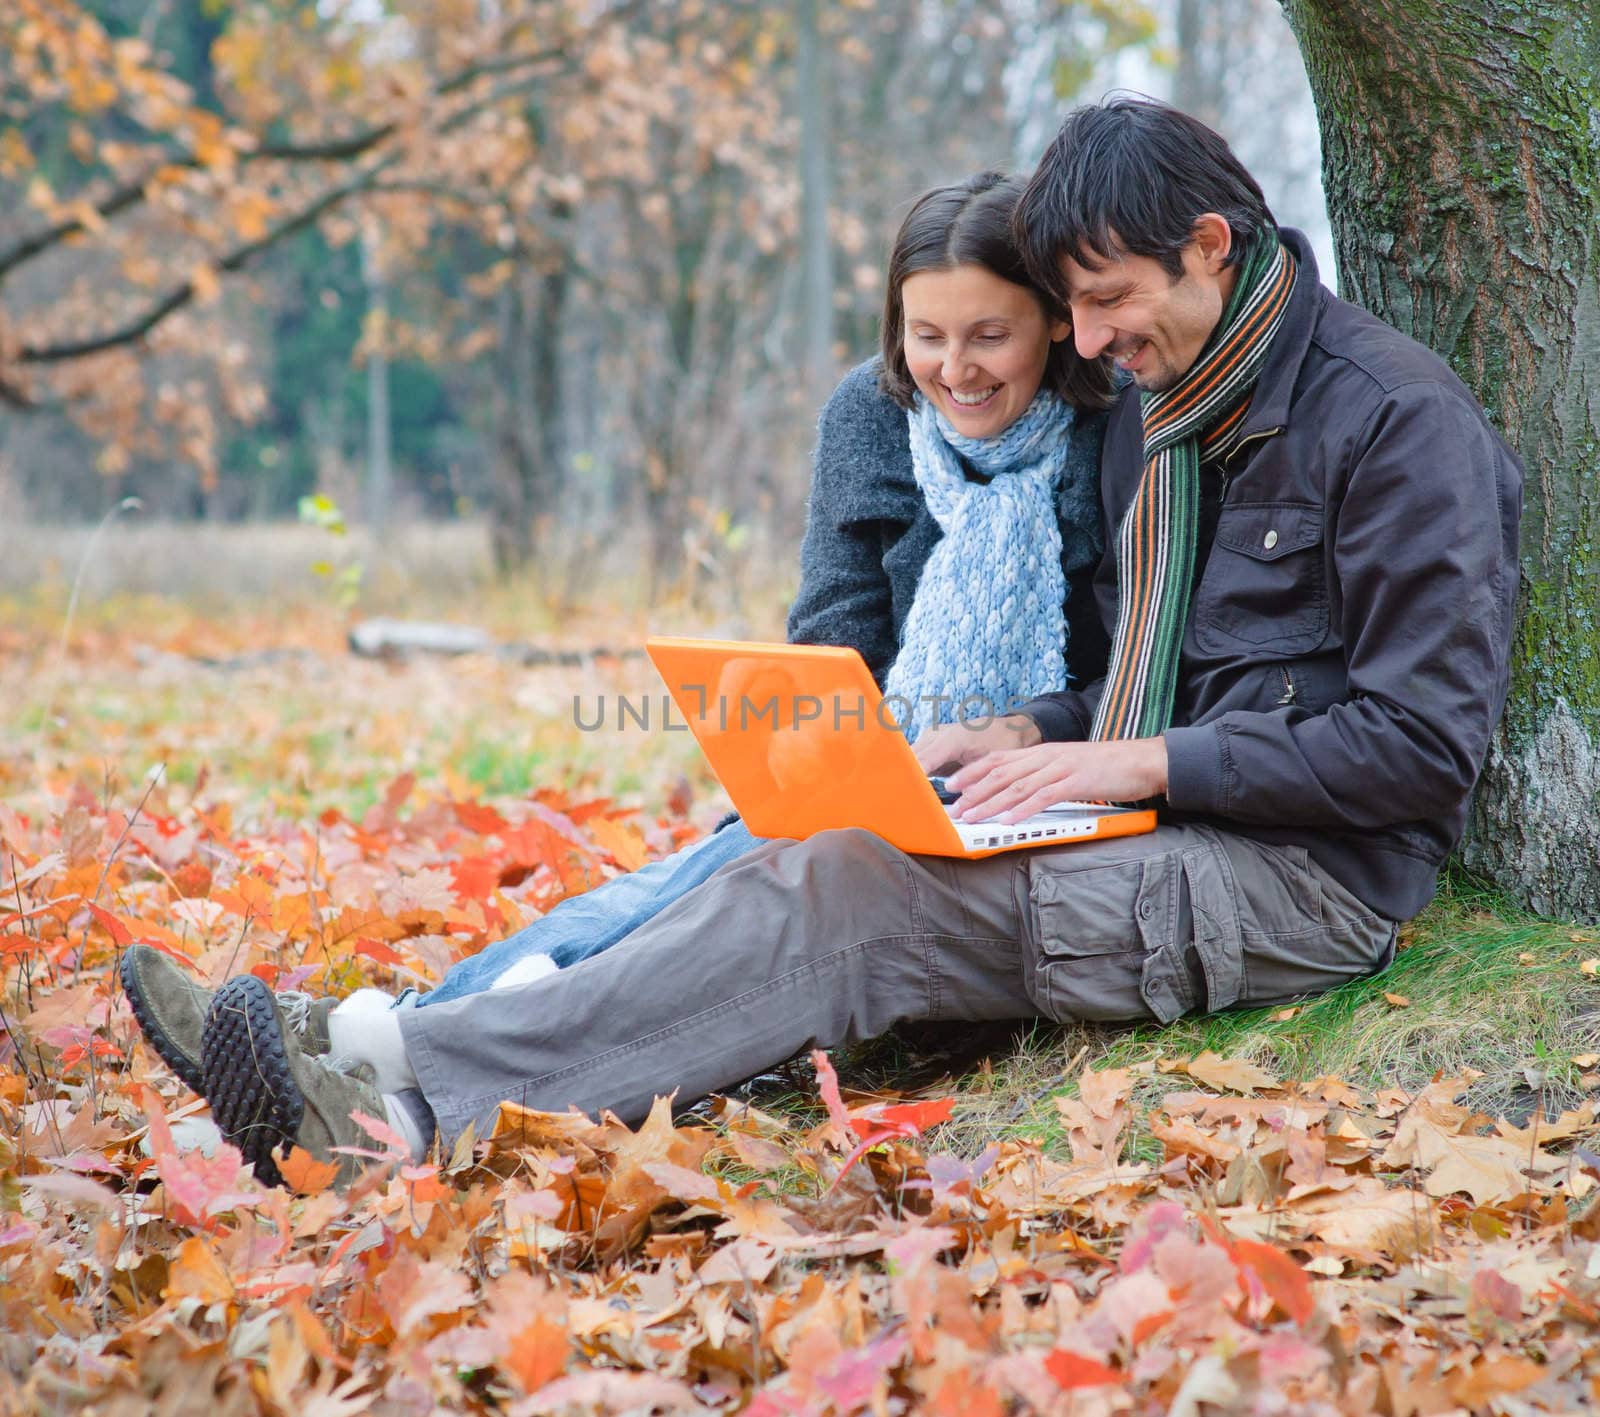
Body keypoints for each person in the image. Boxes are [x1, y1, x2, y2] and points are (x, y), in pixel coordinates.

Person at [143, 98, 1524, 1189]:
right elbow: (1128, 676)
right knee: (815, 840)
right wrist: (1036, 733)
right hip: (1157, 818)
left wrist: (1132, 764)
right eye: (1079, 309)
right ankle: (385, 1053)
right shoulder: (1166, 417)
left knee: (858, 897)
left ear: (1212, 244)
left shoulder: (1397, 426)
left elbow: (1418, 750)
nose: (1092, 343)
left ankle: (400, 1099)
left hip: (1307, 881)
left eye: (1106, 302)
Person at [122, 171, 1114, 1151]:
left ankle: (362, 1041)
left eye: (990, 335)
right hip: (884, 765)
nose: (955, 368)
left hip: (1027, 792)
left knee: (714, 875)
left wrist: (1017, 727)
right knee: (691, 875)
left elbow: (1131, 665)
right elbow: (832, 633)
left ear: (1055, 323)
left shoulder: (1113, 434)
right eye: (926, 336)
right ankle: (351, 1053)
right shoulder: (871, 411)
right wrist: (824, 748)